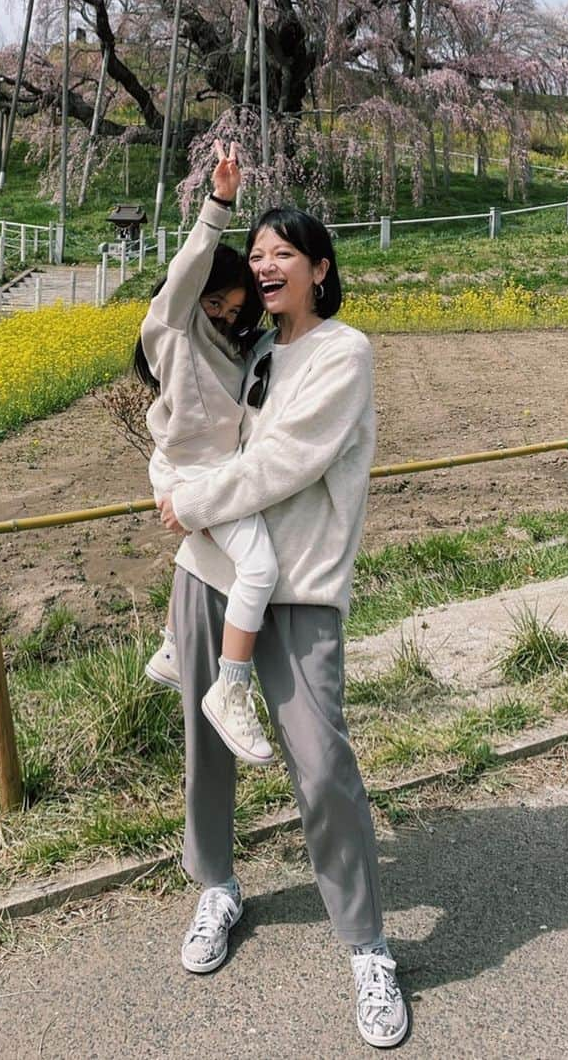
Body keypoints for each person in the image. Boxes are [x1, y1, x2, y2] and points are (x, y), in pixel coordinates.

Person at [156, 205, 409, 1049]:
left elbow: (276, 463)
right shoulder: (255, 350)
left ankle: (367, 943)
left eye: (283, 253)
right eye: (257, 255)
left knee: (322, 760)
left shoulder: (345, 353)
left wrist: (188, 500)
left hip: (296, 588)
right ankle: (217, 885)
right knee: (206, 743)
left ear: (321, 269)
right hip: (211, 576)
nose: (265, 266)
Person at [136, 141, 277, 765]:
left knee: (207, 549)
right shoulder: (172, 325)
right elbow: (190, 268)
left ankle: (171, 645)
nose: (221, 313)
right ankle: (232, 687)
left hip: (206, 471)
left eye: (233, 307)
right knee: (260, 569)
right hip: (192, 471)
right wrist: (219, 203)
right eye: (214, 301)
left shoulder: (228, 347)